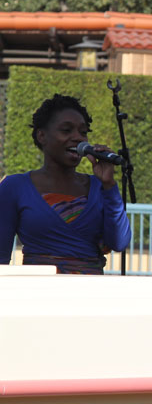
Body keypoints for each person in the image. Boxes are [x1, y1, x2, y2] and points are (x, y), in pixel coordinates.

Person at [0, 94, 131, 273]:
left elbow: (120, 242)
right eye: (66, 130)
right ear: (42, 136)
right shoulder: (14, 187)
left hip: (91, 294)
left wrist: (109, 185)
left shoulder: (99, 186)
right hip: (38, 294)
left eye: (83, 132)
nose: (78, 138)